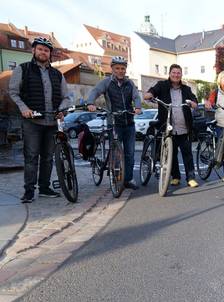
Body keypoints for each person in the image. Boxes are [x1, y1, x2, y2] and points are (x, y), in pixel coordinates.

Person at [9, 37, 72, 203]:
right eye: (40, 49)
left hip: (52, 122)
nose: (43, 52)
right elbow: (13, 93)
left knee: (48, 157)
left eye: (46, 50)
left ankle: (44, 188)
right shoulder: (22, 69)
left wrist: (61, 109)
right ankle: (29, 191)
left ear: (50, 54)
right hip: (32, 122)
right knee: (31, 157)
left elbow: (66, 97)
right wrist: (24, 109)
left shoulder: (57, 74)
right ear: (34, 51)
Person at [86, 56, 142, 190]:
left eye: (123, 68)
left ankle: (128, 179)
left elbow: (136, 96)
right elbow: (95, 91)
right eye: (117, 68)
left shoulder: (130, 84)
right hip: (114, 123)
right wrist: (90, 102)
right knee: (116, 152)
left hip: (129, 122)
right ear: (112, 69)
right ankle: (117, 179)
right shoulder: (106, 82)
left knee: (130, 153)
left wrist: (138, 107)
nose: (120, 71)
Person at [143, 64, 199, 188]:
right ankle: (175, 177)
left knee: (187, 153)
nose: (176, 75)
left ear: (181, 75)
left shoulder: (186, 89)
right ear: (169, 74)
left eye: (178, 73)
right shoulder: (162, 86)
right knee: (171, 154)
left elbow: (194, 100)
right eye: (174, 72)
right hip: (168, 125)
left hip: (184, 126)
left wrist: (193, 103)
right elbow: (151, 92)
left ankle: (191, 177)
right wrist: (149, 95)